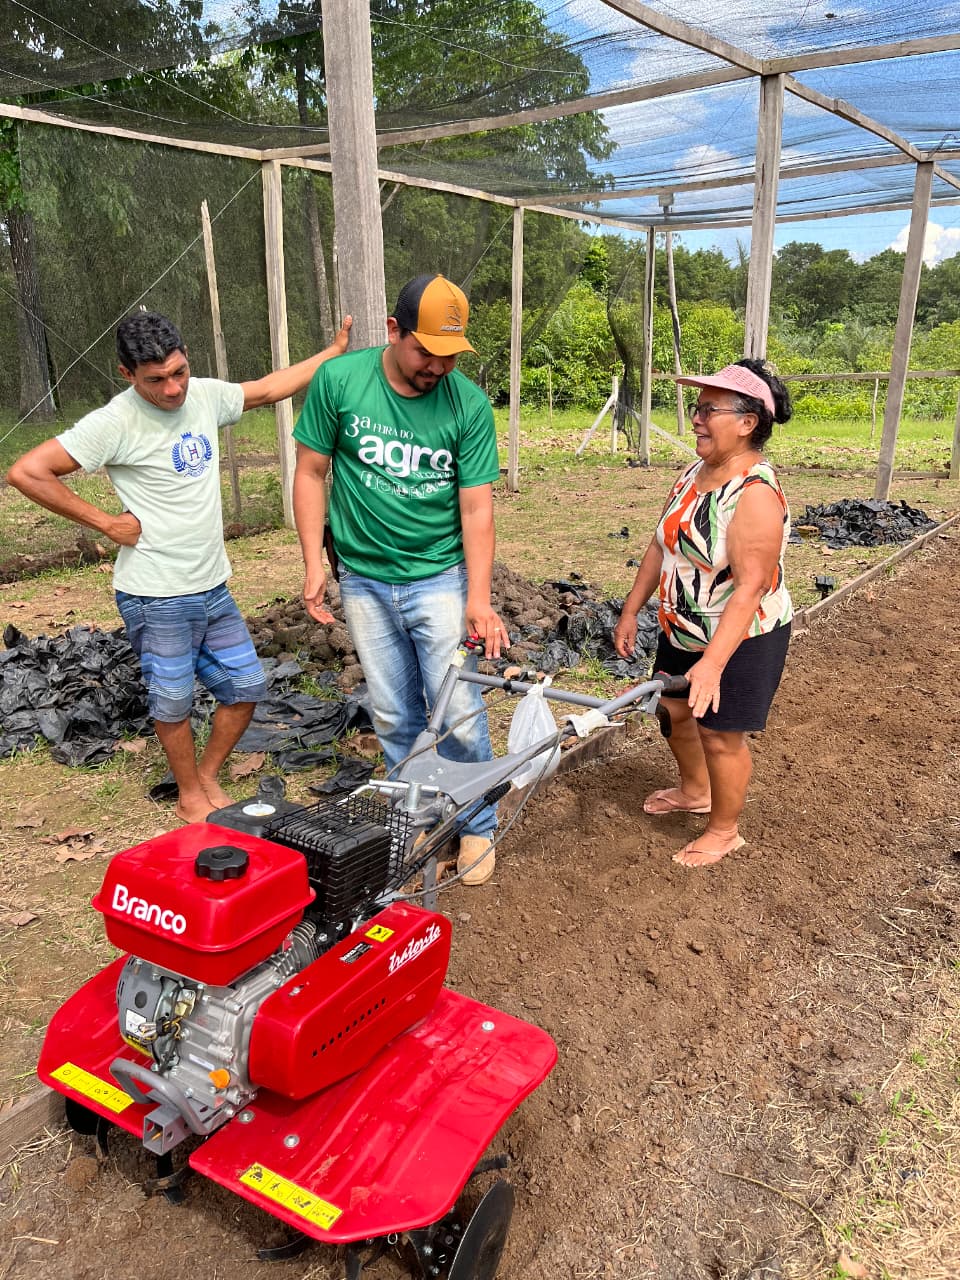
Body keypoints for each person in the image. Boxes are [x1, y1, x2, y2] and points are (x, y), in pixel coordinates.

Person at [6, 311, 351, 823]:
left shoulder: (204, 395)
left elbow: (266, 389)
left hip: (212, 586)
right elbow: (27, 471)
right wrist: (104, 523)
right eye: (156, 380)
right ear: (127, 375)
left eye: (179, 372)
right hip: (155, 591)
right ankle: (190, 792)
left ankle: (208, 773)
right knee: (173, 700)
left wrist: (331, 354)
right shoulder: (114, 422)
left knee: (246, 687)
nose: (173, 389)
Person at [292, 273, 507, 886]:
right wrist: (313, 559)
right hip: (361, 578)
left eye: (449, 356)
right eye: (425, 351)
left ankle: (475, 827)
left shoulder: (466, 404)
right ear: (394, 330)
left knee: (460, 706)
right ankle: (416, 816)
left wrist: (479, 598)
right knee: (391, 714)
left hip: (438, 575)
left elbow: (476, 507)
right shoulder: (340, 381)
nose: (437, 368)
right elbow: (311, 473)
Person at [613, 359, 793, 868]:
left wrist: (712, 664)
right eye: (697, 408)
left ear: (747, 421)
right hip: (684, 624)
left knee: (718, 731)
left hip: (742, 634)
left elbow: (751, 588)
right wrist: (631, 611)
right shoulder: (695, 473)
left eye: (708, 409)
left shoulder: (754, 494)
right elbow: (660, 544)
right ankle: (696, 791)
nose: (696, 418)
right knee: (672, 710)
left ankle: (725, 829)